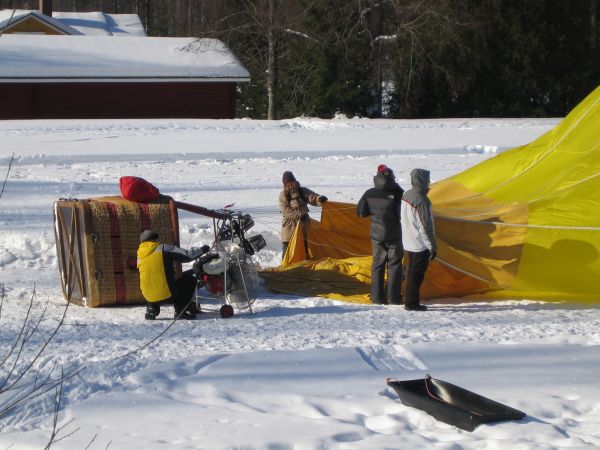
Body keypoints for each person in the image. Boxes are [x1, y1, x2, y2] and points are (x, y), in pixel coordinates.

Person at [357, 164, 404, 305]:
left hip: (376, 235)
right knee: (394, 265)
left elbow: (360, 213)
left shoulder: (369, 193)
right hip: (394, 234)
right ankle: (394, 298)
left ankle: (377, 298)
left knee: (377, 265)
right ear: (392, 177)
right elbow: (402, 213)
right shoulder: (397, 193)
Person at [137, 229, 210, 320]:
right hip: (167, 294)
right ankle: (180, 311)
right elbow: (187, 255)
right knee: (190, 280)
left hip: (148, 295)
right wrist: (202, 250)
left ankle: (151, 310)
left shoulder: (139, 255)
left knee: (152, 280)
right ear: (154, 239)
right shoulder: (163, 248)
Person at [400, 168, 436, 311]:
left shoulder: (407, 194)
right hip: (419, 244)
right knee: (416, 275)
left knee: (412, 273)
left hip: (408, 240)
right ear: (422, 180)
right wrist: (432, 246)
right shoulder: (422, 200)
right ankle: (411, 303)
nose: (429, 182)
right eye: (427, 179)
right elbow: (425, 226)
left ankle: (410, 300)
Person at [279, 171, 327, 258]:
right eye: (288, 184)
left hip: (304, 226)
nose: (290, 185)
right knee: (287, 252)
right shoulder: (283, 195)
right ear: (285, 185)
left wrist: (319, 199)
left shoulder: (302, 191)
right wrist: (300, 215)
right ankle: (285, 269)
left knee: (305, 249)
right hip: (289, 228)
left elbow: (312, 197)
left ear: (295, 181)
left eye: (292, 182)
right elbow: (285, 210)